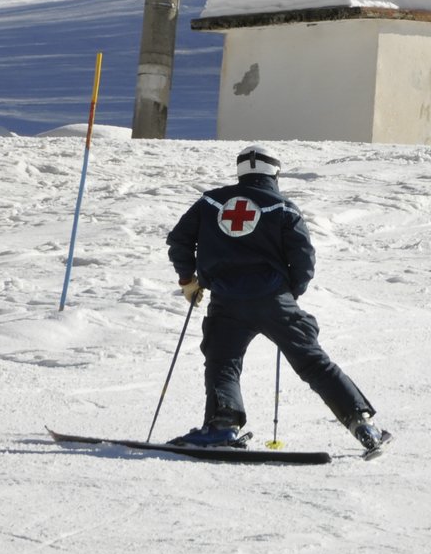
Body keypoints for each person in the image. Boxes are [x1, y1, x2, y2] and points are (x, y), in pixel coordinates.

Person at [166, 145, 391, 452]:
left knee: (222, 362)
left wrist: (188, 280)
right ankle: (362, 423)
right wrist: (290, 293)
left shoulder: (209, 202)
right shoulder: (283, 206)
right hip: (274, 299)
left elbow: (179, 239)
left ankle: (221, 426)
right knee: (313, 362)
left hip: (226, 302)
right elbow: (303, 259)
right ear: (275, 172)